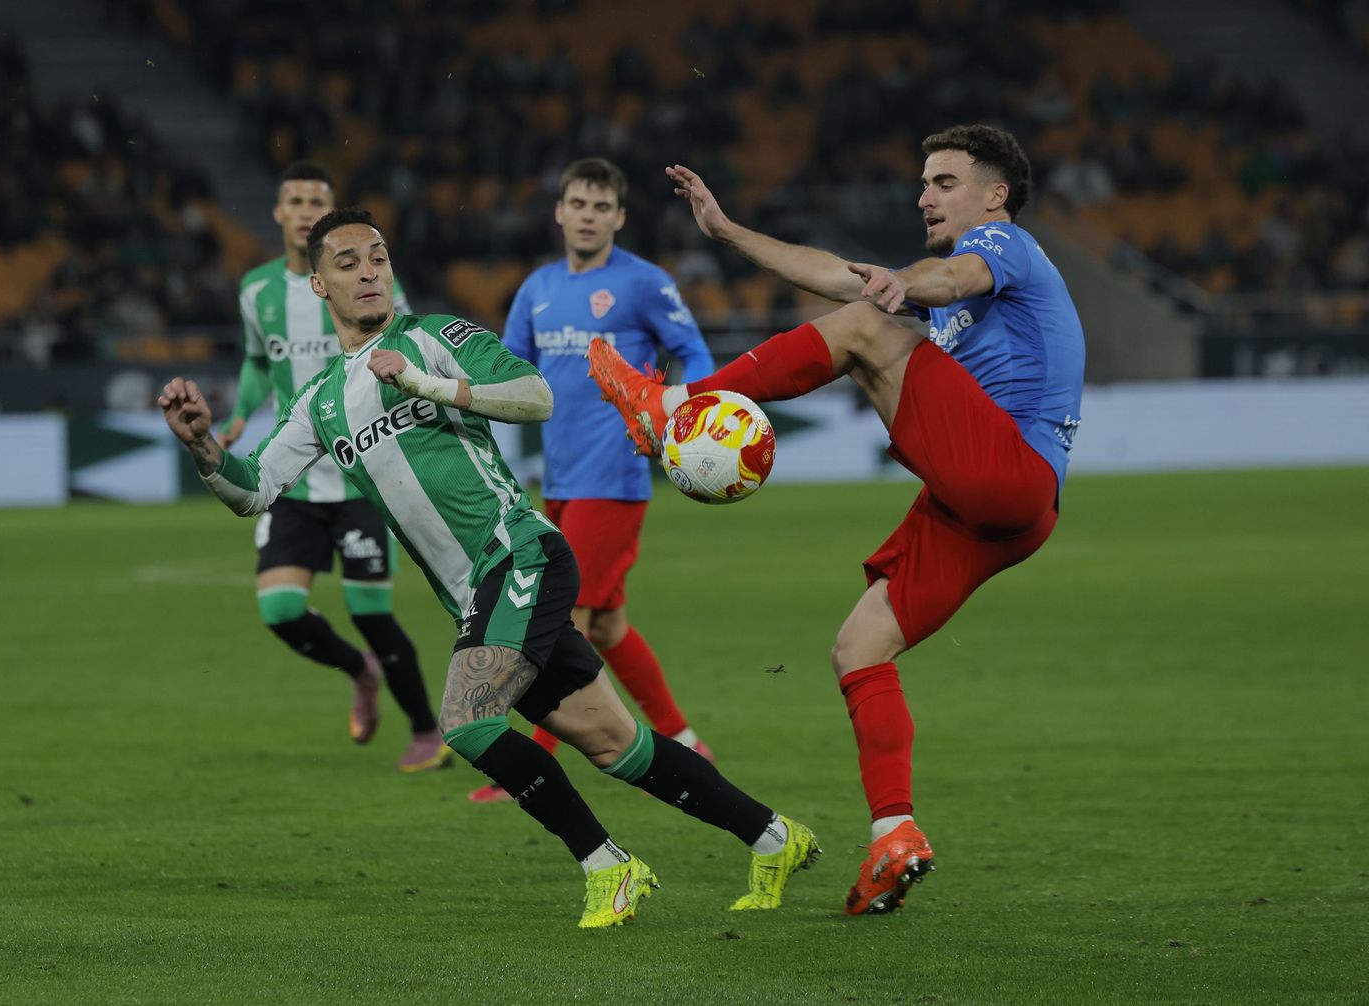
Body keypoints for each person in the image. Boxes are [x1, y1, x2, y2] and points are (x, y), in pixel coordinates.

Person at [159, 208, 820, 927]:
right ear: (319, 283)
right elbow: (251, 491)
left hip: (519, 552)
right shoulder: (318, 401)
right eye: (348, 263)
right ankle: (776, 837)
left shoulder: (434, 338)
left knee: (468, 721)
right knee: (616, 746)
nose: (369, 271)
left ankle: (611, 868)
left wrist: (430, 386)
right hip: (477, 591)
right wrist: (201, 447)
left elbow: (536, 395)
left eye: (378, 256)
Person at [588, 125, 1085, 916]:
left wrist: (905, 289)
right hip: (1003, 510)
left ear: (994, 194)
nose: (925, 194)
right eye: (923, 181)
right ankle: (894, 834)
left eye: (945, 181)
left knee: (863, 329)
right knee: (859, 648)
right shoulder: (952, 274)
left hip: (1007, 470)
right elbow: (836, 275)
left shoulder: (1004, 244)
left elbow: (953, 277)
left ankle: (674, 407)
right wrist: (725, 231)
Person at [465, 158, 717, 803]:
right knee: (604, 626)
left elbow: (695, 354)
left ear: (619, 217)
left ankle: (532, 757)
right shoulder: (538, 288)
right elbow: (509, 369)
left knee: (556, 615)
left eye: (601, 207)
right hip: (562, 475)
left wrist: (673, 409)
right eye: (578, 203)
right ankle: (684, 738)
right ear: (559, 211)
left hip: (616, 472)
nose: (587, 215)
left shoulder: (643, 284)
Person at [217, 162, 445, 773]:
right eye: (293, 199)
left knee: (371, 611)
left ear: (329, 207)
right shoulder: (256, 293)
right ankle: (359, 672)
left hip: (361, 474)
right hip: (294, 475)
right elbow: (257, 361)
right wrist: (239, 415)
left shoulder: (360, 282)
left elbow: (406, 348)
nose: (303, 208)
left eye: (315, 198)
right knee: (281, 611)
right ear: (278, 212)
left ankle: (426, 732)